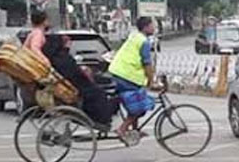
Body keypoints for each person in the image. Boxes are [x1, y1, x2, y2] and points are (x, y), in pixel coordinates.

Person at [42, 34, 116, 130]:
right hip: (76, 84)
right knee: (98, 93)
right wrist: (84, 74)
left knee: (97, 91)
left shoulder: (57, 56)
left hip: (73, 81)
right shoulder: (62, 57)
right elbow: (74, 72)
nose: (69, 45)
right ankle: (100, 119)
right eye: (67, 43)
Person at [108, 16, 158, 145]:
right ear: (146, 27)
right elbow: (147, 64)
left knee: (135, 103)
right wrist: (151, 81)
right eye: (152, 25)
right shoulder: (144, 42)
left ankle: (135, 130)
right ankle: (122, 129)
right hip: (127, 75)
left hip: (119, 72)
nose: (154, 28)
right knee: (140, 106)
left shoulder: (134, 37)